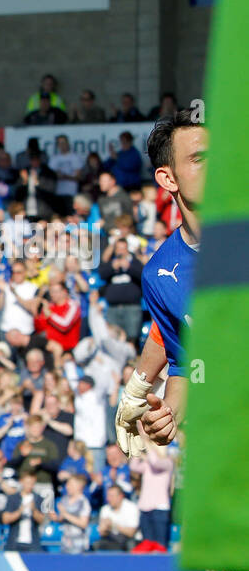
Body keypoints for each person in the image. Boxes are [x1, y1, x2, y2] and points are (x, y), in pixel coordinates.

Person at [117, 110, 205, 454]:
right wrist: (169, 413)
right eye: (199, 159)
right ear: (169, 179)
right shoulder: (160, 275)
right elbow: (185, 362)